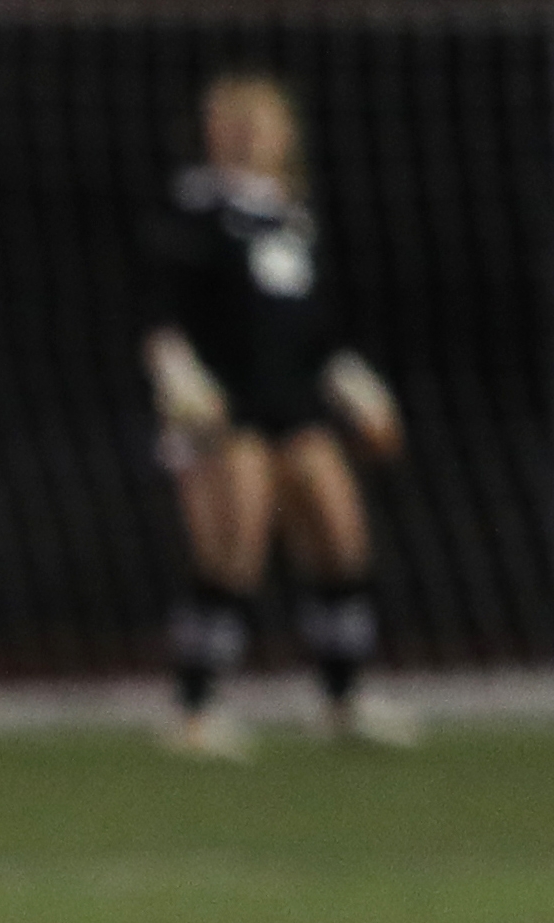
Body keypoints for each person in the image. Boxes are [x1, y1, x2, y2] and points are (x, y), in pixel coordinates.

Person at [143, 69, 413, 760]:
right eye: (232, 123)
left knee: (341, 539)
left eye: (259, 124)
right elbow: (160, 314)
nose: (247, 136)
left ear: (284, 135)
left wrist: (362, 389)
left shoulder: (293, 216)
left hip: (295, 402)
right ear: (211, 133)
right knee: (233, 553)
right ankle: (194, 711)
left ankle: (340, 700)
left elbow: (317, 330)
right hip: (224, 406)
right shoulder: (193, 211)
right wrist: (181, 383)